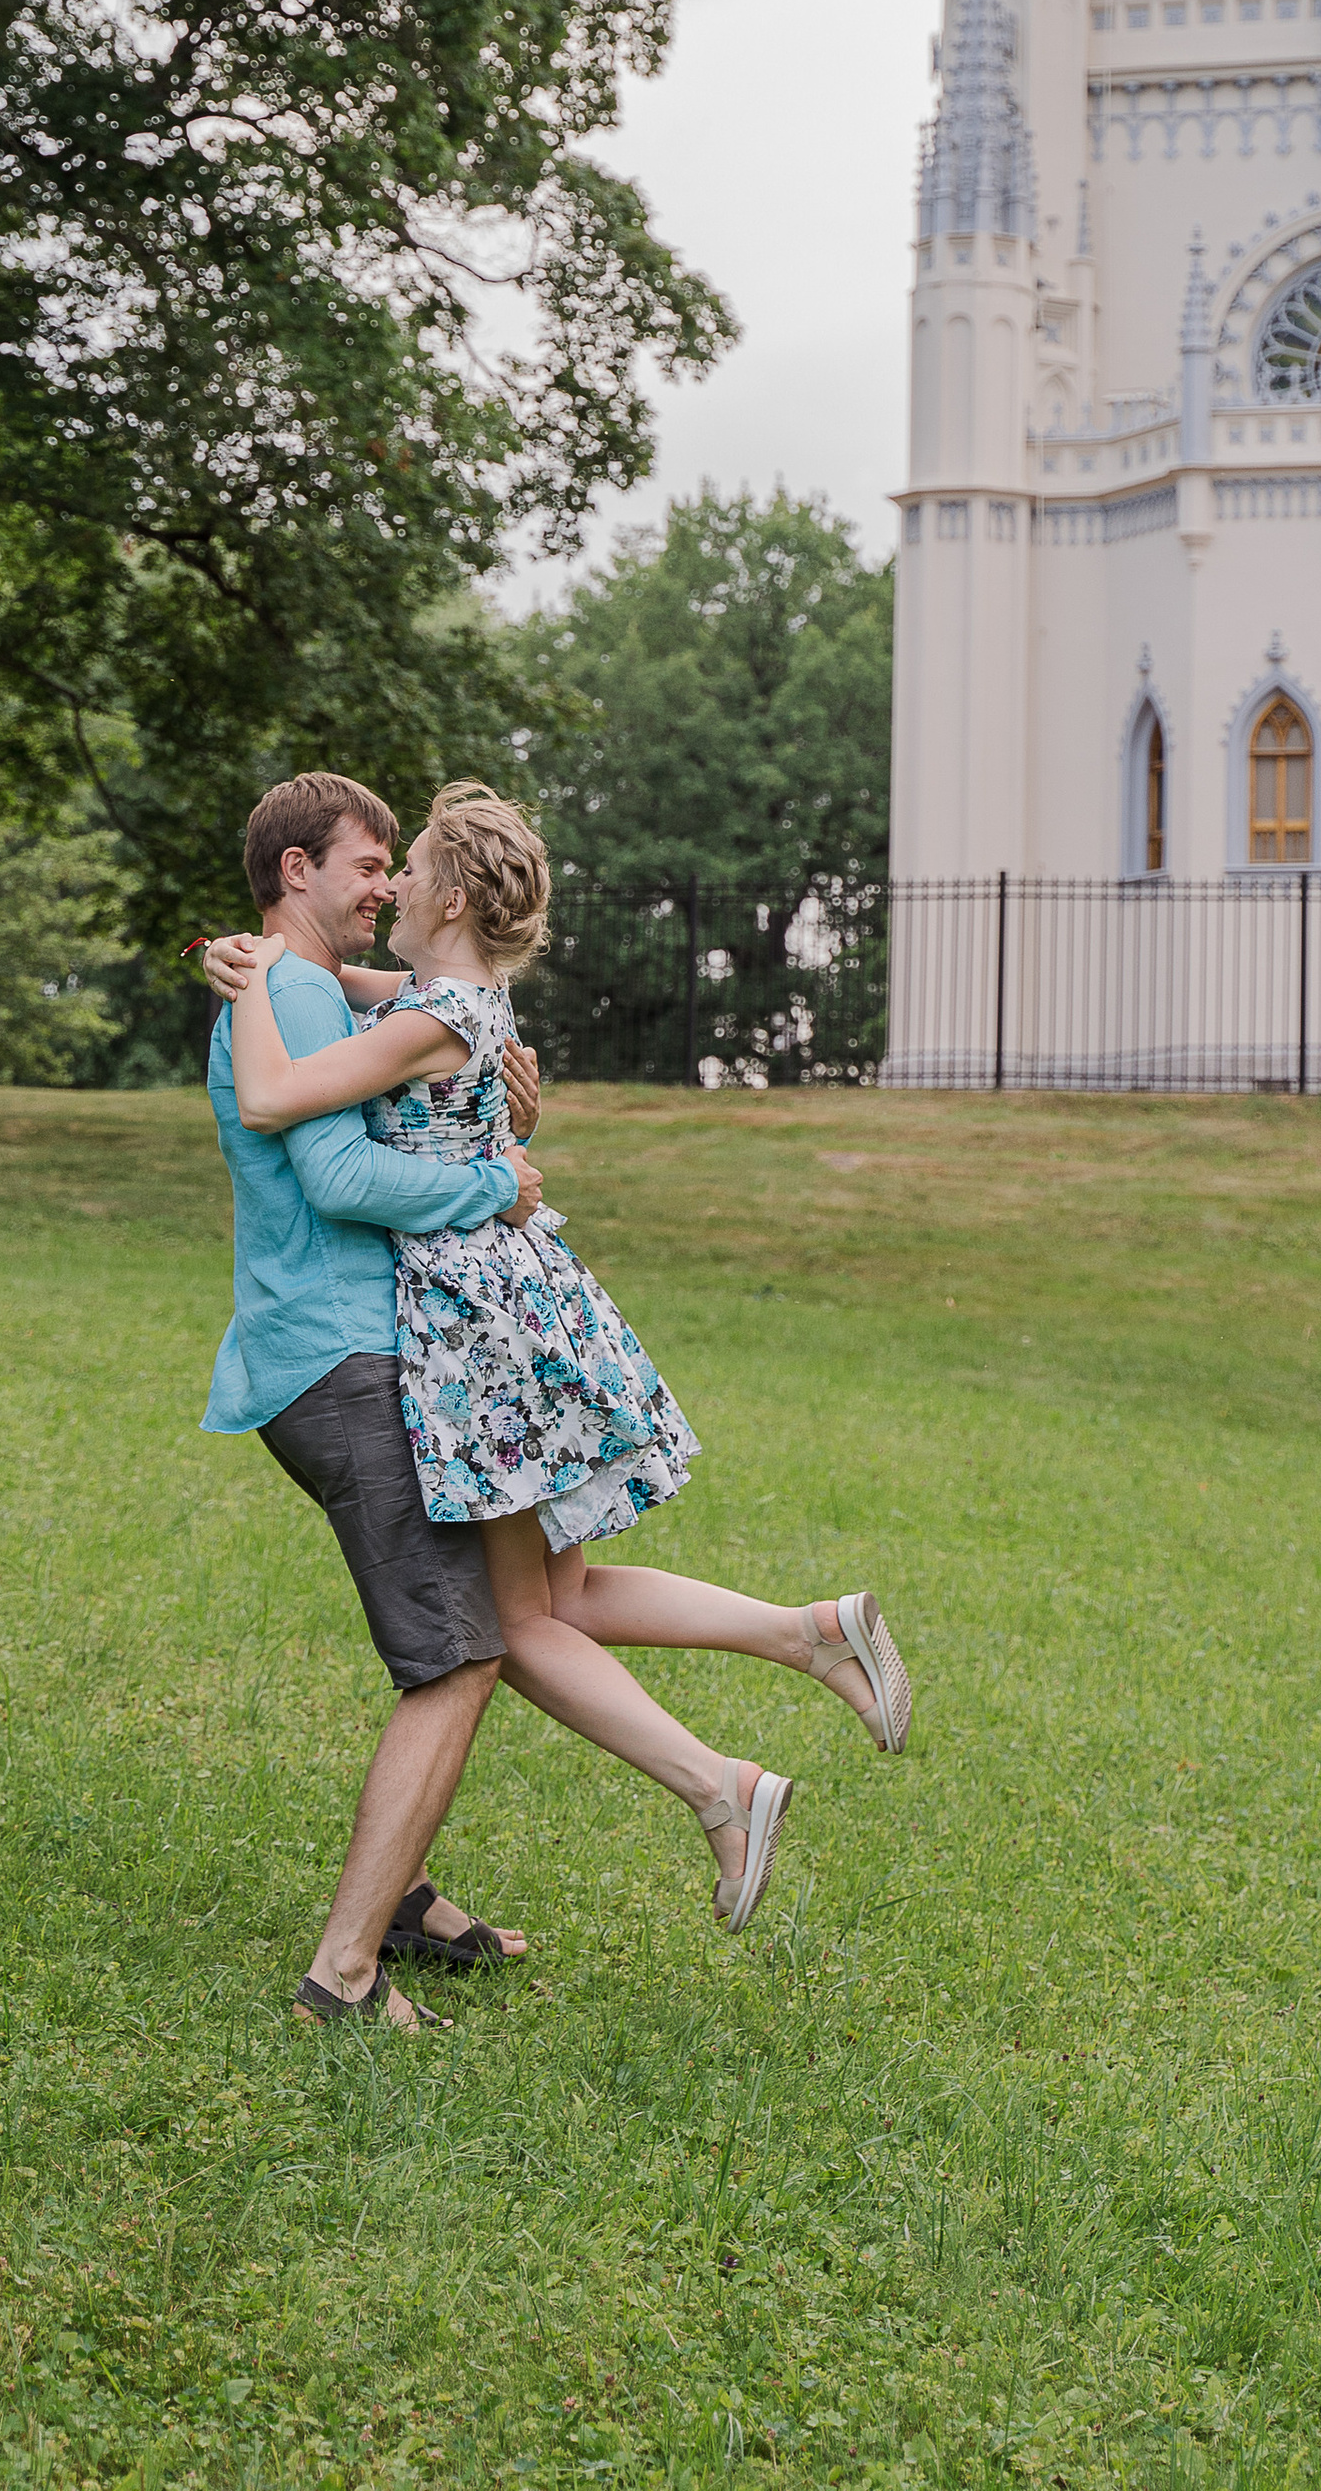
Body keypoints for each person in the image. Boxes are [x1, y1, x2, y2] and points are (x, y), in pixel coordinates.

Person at [207, 781, 913, 1945]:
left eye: (410, 861)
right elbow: (330, 985)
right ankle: (807, 1634)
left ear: (454, 892)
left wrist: (254, 987)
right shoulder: (445, 999)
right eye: (374, 862)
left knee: (516, 1622)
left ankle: (722, 1790)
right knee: (560, 1598)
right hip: (515, 1308)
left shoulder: (440, 1013)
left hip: (476, 1326)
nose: (391, 881)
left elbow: (293, 1097)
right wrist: (246, 964)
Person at [201, 769, 547, 2035]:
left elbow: (428, 1006)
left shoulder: (290, 984)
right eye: (365, 863)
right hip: (345, 1361)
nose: (386, 882)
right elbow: (340, 1170)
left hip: (336, 1352)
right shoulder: (282, 987)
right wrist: (492, 1188)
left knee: (466, 1636)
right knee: (457, 1657)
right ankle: (342, 1976)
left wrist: (484, 1047)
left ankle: (403, 1904)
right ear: (297, 869)